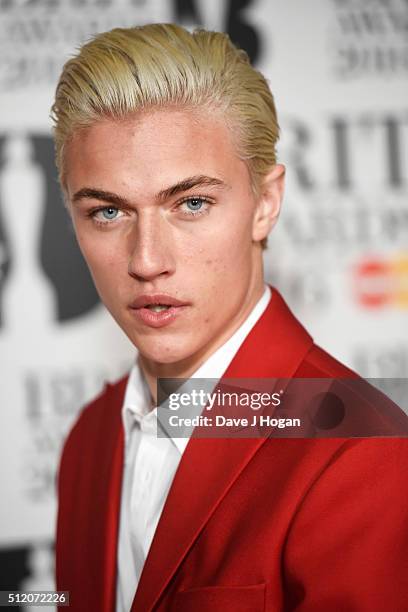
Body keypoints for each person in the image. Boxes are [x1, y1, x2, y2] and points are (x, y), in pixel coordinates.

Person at [51, 23, 408, 611]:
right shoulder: (90, 437)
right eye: (108, 212)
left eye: (191, 203)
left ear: (265, 205)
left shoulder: (360, 453)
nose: (147, 261)